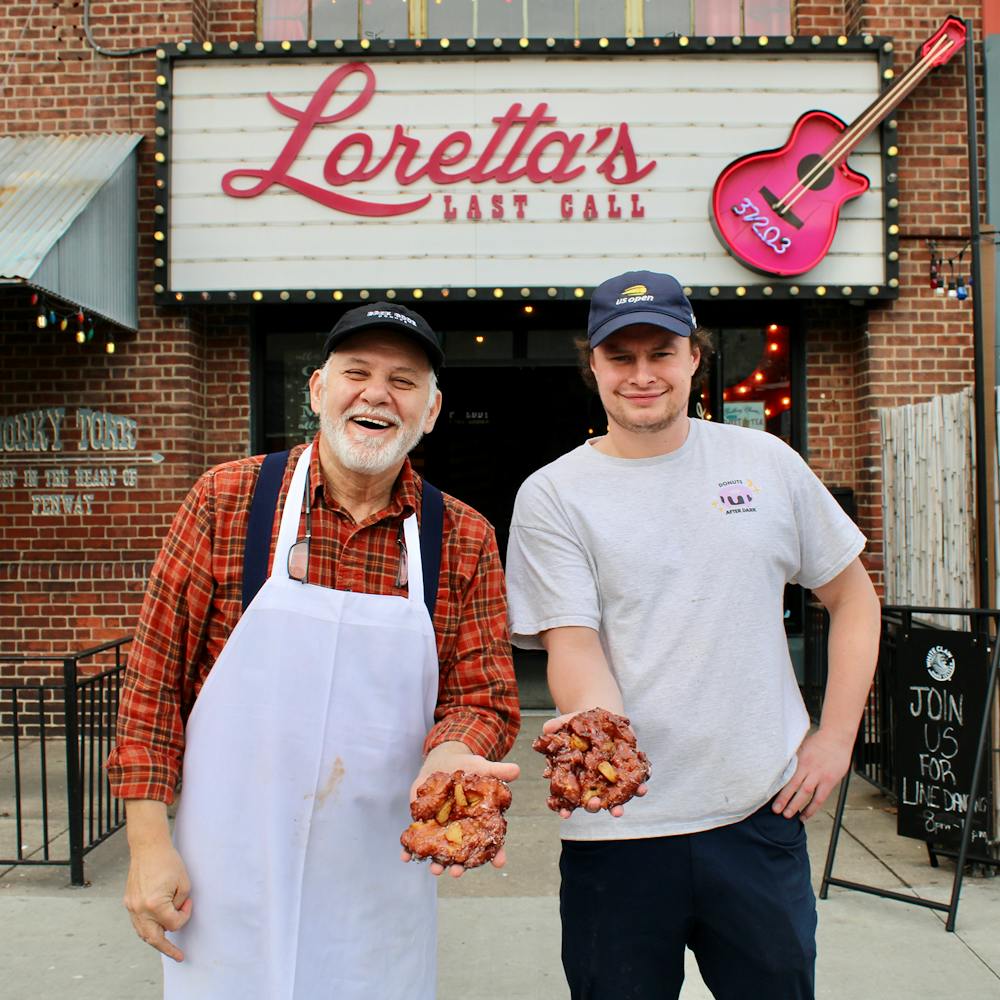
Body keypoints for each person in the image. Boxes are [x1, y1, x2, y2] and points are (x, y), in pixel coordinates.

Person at [108, 302, 520, 1000]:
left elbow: (483, 695)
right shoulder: (227, 501)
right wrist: (148, 844)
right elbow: (152, 686)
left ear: (431, 410)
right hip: (226, 873)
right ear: (317, 390)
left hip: (377, 878)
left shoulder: (463, 537)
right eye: (355, 372)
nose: (377, 393)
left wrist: (455, 749)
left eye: (403, 380)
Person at [505, 270, 880, 1000]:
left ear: (693, 358)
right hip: (615, 836)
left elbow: (853, 598)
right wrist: (603, 744)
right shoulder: (554, 493)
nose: (643, 375)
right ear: (594, 365)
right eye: (621, 357)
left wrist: (835, 741)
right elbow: (573, 644)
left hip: (757, 817)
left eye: (661, 353)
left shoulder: (765, 464)